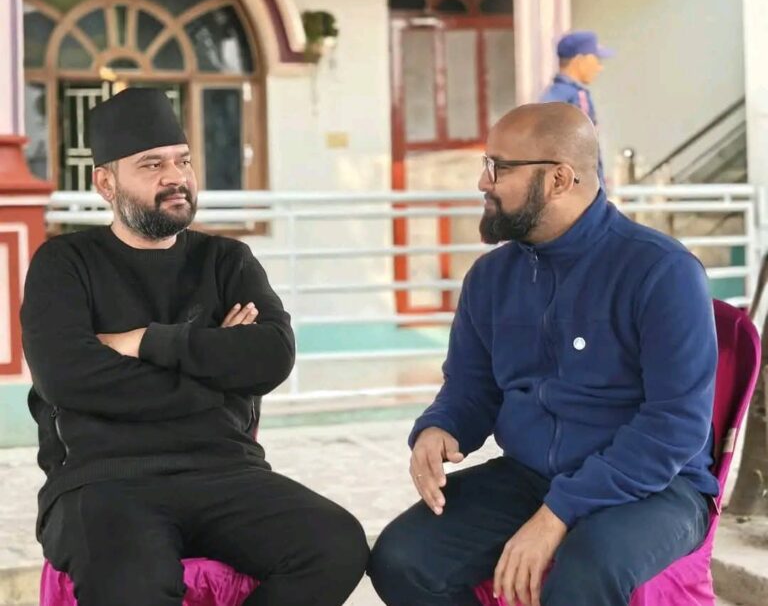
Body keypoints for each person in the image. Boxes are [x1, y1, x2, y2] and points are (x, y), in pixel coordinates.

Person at [21, 87, 369, 606]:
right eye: (152, 164)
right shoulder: (65, 263)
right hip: (103, 482)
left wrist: (146, 341)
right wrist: (216, 377)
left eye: (183, 160)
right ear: (106, 183)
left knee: (335, 544)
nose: (175, 177)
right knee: (134, 583)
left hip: (226, 471)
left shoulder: (226, 261)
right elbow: (69, 377)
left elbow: (272, 356)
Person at [367, 102, 717, 606]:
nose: (483, 183)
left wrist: (558, 513)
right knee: (401, 559)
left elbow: (674, 427)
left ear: (559, 179)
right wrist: (440, 427)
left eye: (499, 168)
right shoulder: (490, 278)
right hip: (529, 477)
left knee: (583, 571)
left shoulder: (661, 272)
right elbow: (471, 387)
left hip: (655, 486)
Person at [539, 30, 612, 188]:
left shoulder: (554, 95)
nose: (599, 67)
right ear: (580, 60)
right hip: (577, 192)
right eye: (596, 60)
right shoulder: (575, 97)